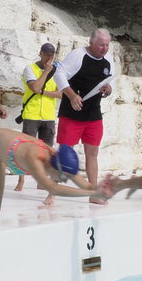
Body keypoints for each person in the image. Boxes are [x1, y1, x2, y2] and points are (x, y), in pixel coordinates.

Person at [54, 28, 115, 204]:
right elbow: (59, 74)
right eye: (101, 45)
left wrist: (108, 90)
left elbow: (110, 84)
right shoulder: (78, 55)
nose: (104, 49)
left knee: (93, 152)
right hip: (71, 113)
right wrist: (72, 95)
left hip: (93, 113)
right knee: (66, 153)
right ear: (91, 42)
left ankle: (93, 193)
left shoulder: (108, 60)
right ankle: (53, 192)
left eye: (107, 45)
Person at [15, 42, 61, 198]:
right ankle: (21, 179)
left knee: (46, 152)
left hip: (48, 116)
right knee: (25, 151)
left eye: (51, 54)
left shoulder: (57, 70)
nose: (49, 57)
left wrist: (44, 92)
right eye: (46, 53)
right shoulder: (30, 69)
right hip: (32, 114)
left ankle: (41, 181)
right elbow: (34, 88)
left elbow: (61, 93)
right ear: (40, 53)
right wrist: (46, 71)